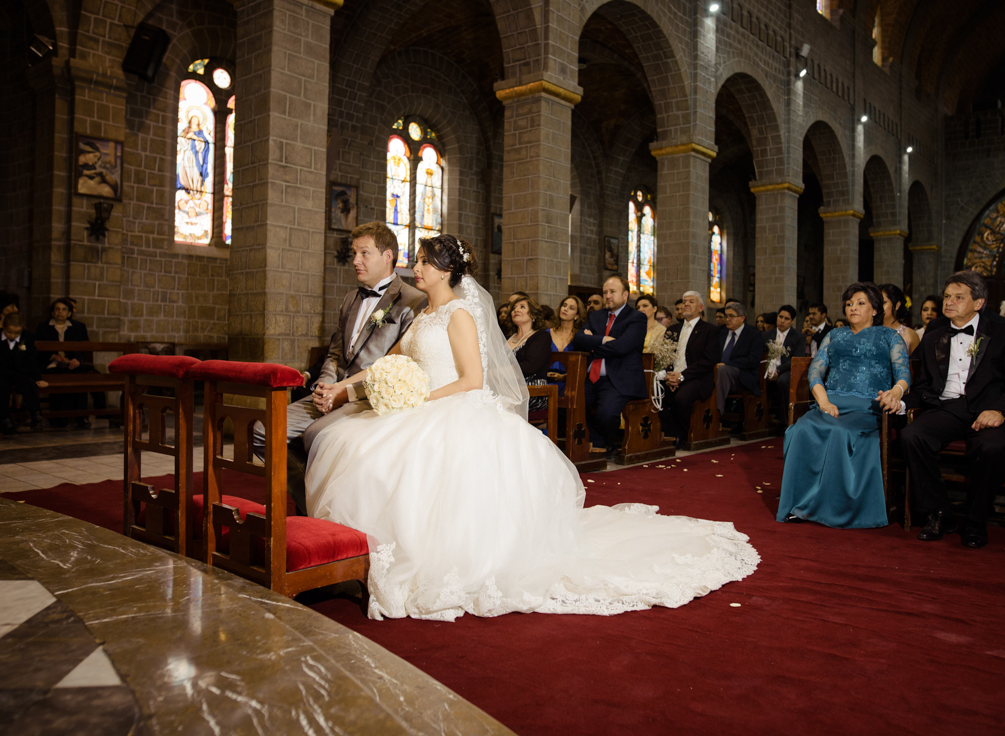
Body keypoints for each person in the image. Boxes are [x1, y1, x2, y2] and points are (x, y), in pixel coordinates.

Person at [304, 235, 760, 621]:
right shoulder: (423, 314)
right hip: (421, 404)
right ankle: (361, 556)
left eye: (424, 262)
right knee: (353, 444)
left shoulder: (459, 314)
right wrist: (346, 386)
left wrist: (416, 399)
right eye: (418, 260)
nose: (416, 268)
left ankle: (421, 559)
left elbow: (471, 380)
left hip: (450, 406)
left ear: (446, 271)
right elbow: (392, 361)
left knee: (401, 464)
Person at [258, 222, 426, 515]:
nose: (356, 260)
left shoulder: (413, 301)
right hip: (330, 392)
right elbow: (335, 353)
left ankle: (322, 508)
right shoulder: (350, 299)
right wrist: (324, 387)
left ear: (387, 256)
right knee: (261, 430)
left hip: (368, 397)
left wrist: (343, 392)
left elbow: (398, 365)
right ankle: (311, 500)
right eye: (354, 253)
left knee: (317, 436)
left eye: (364, 253)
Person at [901, 271, 1005, 549]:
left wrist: (1000, 411)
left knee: (992, 448)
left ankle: (976, 520)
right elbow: (924, 384)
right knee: (913, 435)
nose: (949, 302)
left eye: (958, 297)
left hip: (990, 409)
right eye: (947, 296)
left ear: (978, 303)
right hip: (947, 407)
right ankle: (940, 512)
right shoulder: (934, 331)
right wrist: (901, 402)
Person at [777, 283, 911, 528]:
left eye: (860, 303)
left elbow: (903, 375)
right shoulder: (834, 335)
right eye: (849, 304)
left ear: (875, 309)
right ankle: (800, 504)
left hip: (867, 407)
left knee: (839, 432)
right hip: (830, 403)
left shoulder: (890, 336)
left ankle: (830, 507)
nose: (853, 308)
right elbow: (815, 372)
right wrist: (824, 402)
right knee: (802, 429)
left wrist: (894, 392)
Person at [573, 275, 646, 459]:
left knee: (606, 414)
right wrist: (604, 339)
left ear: (625, 295)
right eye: (605, 292)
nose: (607, 296)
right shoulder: (596, 316)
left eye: (612, 292)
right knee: (569, 405)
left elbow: (622, 347)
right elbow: (578, 340)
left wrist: (593, 345)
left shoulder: (637, 318)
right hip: (590, 378)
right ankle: (599, 442)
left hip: (618, 379)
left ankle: (608, 444)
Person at [657, 291, 719, 449]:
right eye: (684, 301)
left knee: (681, 399)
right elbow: (665, 356)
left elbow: (708, 361)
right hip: (672, 377)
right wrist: (670, 375)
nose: (686, 304)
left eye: (691, 301)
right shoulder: (673, 329)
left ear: (701, 308)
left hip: (697, 379)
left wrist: (682, 376)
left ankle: (682, 435)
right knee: (655, 396)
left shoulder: (710, 330)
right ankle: (671, 432)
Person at [34, 297, 100, 428]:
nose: (60, 312)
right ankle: (58, 418)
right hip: (52, 364)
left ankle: (82, 417)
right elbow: (37, 348)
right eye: (57, 309)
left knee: (80, 378)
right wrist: (53, 355)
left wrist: (77, 359)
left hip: (72, 364)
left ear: (69, 313)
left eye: (64, 309)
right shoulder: (43, 327)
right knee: (59, 375)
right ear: (52, 312)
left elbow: (83, 347)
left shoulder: (78, 327)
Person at [0, 313, 48, 435]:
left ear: (23, 329)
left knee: (29, 384)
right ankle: (5, 420)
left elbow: (32, 360)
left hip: (19, 371)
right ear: (3, 327)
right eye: (9, 332)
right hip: (0, 372)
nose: (12, 335)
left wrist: (37, 378)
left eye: (16, 333)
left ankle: (36, 416)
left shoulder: (28, 337)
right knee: (1, 387)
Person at [715, 301, 764, 426]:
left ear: (742, 318)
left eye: (731, 316)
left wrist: (727, 364)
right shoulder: (720, 332)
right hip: (719, 372)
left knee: (723, 370)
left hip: (743, 377)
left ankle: (716, 414)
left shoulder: (753, 335)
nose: (727, 319)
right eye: (726, 316)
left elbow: (752, 360)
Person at [763, 305, 806, 430]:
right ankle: (758, 420)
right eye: (780, 317)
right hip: (767, 369)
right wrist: (768, 369)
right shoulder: (766, 335)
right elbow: (761, 354)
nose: (782, 321)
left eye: (786, 319)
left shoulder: (799, 337)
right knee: (755, 378)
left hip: (787, 370)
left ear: (792, 321)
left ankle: (783, 421)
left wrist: (778, 370)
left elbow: (796, 359)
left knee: (782, 381)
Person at [506, 297, 552, 410]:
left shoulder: (541, 337)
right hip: (507, 388)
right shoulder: (507, 339)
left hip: (532, 390)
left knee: (492, 404)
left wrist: (499, 373)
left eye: (522, 307)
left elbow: (530, 366)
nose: (516, 310)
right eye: (514, 308)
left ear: (533, 314)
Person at [546, 295, 585, 395]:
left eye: (571, 308)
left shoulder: (580, 336)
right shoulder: (546, 334)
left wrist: (564, 377)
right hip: (546, 380)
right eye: (564, 305)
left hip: (571, 384)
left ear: (576, 316)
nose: (565, 309)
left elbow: (583, 366)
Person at [879, 284, 920, 354]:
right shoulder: (869, 331)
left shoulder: (910, 335)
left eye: (883, 303)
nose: (879, 307)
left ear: (897, 305)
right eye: (877, 303)